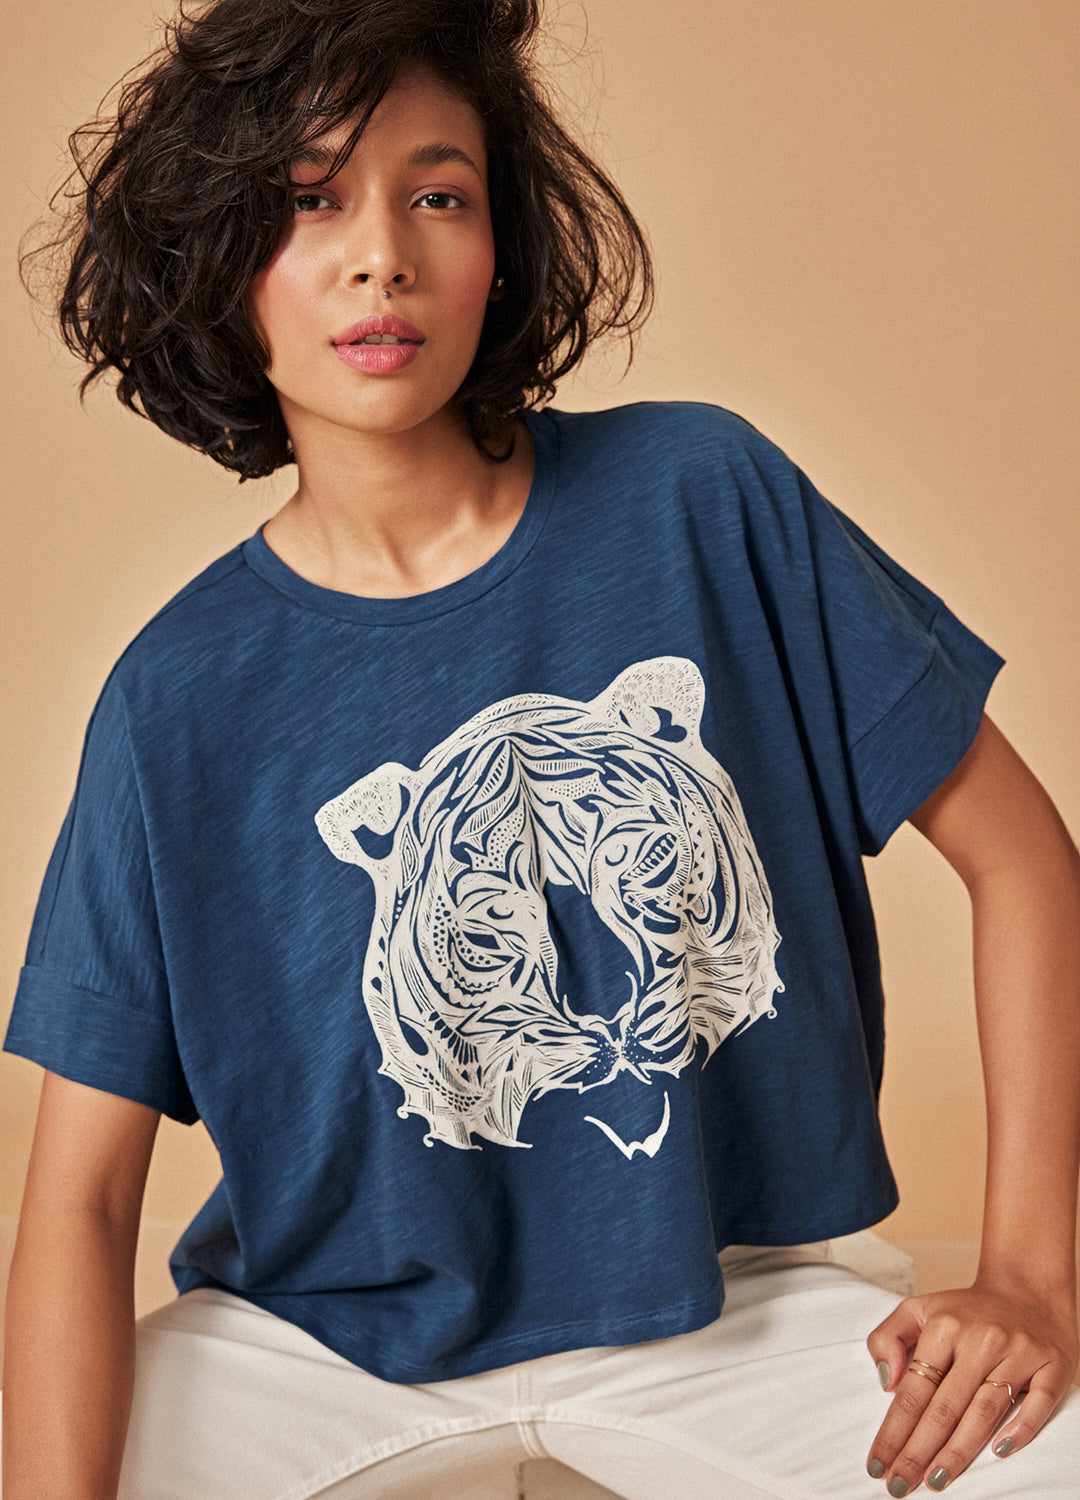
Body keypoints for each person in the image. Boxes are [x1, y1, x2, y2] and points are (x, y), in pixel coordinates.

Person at [3, 1, 1079, 1496]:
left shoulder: (699, 498)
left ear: (502, 243)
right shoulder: (174, 697)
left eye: (438, 195)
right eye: (309, 203)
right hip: (315, 1343)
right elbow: (78, 1201)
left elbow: (1025, 860)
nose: (382, 256)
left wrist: (1031, 1275)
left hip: (730, 1306)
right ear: (215, 264)